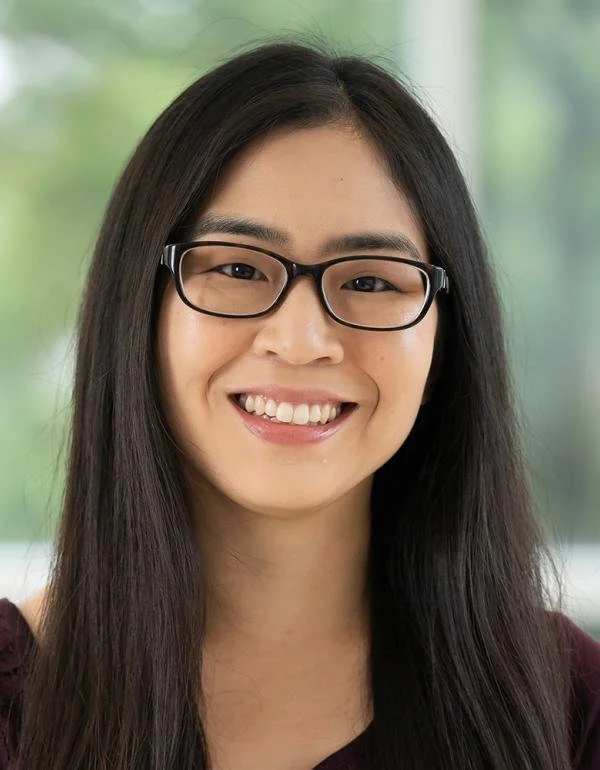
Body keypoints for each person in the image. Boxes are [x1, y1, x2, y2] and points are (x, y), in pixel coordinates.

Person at [0, 40, 598, 770]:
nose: (303, 339)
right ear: (138, 308)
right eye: (238, 268)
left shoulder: (570, 705)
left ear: (448, 335)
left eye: (372, 282)